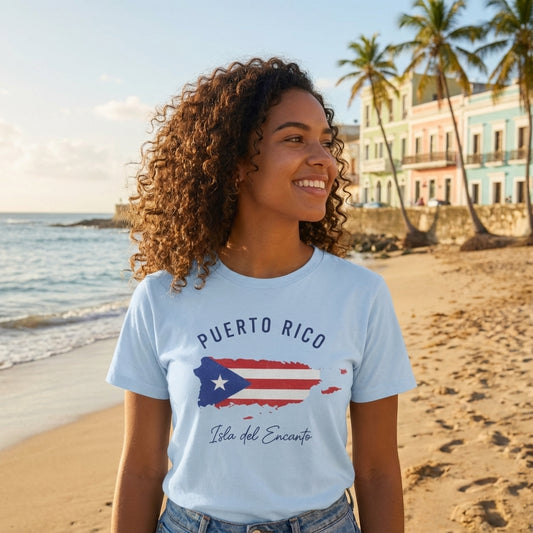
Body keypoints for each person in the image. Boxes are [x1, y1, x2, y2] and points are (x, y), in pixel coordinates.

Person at [107, 57, 416, 533]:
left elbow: (376, 469)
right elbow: (142, 469)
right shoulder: (161, 295)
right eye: (295, 139)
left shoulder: (361, 295)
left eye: (326, 142)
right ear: (232, 163)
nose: (325, 159)